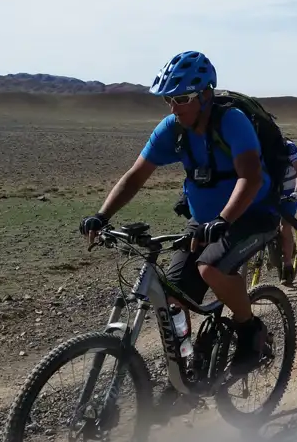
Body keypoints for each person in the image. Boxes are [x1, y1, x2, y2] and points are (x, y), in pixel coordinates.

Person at [78, 50, 277, 377]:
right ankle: (187, 365)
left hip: (252, 213)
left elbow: (251, 177)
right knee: (174, 299)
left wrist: (224, 220)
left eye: (181, 98)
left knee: (210, 268)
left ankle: (250, 330)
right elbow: (135, 176)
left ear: (206, 95)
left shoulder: (232, 122)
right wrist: (102, 215)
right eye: (168, 99)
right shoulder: (173, 128)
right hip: (205, 223)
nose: (173, 107)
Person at [278, 136, 297, 285]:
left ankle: (287, 266)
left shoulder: (289, 146)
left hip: (289, 192)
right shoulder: (260, 145)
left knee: (285, 225)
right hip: (273, 191)